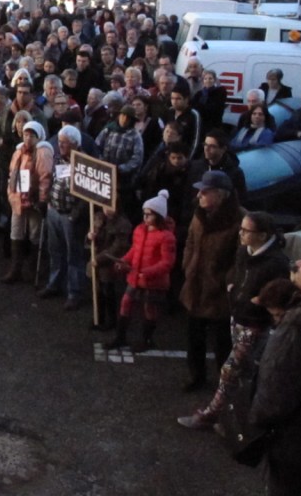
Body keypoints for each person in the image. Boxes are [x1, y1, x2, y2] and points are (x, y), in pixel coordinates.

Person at [178, 211, 289, 430]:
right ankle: (242, 415)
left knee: (230, 369)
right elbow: (235, 272)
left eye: (247, 230)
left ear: (263, 235)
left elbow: (280, 292)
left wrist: (261, 299)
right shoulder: (243, 252)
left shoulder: (276, 262)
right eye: (242, 228)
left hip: (255, 322)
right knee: (246, 371)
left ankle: (211, 414)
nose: (241, 234)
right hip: (237, 316)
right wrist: (231, 284)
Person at [250, 251, 301, 496]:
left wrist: (256, 419)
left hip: (295, 432)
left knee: (286, 495)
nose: (297, 263)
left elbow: (278, 382)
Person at [180, 170, 245, 392]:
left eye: (204, 192)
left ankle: (224, 382)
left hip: (219, 292)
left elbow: (241, 260)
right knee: (194, 337)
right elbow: (190, 240)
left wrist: (225, 281)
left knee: (222, 342)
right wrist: (187, 266)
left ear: (221, 195)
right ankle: (195, 375)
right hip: (195, 286)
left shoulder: (239, 222)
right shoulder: (199, 215)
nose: (199, 196)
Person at [104, 190, 176, 351]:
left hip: (151, 280)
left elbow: (167, 262)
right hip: (136, 276)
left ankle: (146, 339)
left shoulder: (166, 237)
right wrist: (124, 260)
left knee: (149, 309)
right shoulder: (140, 230)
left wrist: (147, 271)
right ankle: (121, 336)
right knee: (126, 303)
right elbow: (134, 250)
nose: (145, 218)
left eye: (149, 214)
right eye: (144, 214)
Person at [38, 126, 90, 310]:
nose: (60, 145)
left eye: (64, 143)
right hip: (55, 210)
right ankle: (54, 284)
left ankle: (74, 292)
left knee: (73, 255)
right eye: (59, 142)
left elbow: (86, 196)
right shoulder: (59, 157)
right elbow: (53, 178)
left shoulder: (84, 163)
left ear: (75, 144)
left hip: (70, 216)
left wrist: (75, 215)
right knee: (55, 251)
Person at [2, 121, 54, 284]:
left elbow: (45, 178)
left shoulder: (43, 152)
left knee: (34, 234)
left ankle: (33, 270)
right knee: (16, 231)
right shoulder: (19, 152)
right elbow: (12, 173)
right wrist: (11, 194)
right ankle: (15, 268)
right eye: (26, 135)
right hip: (18, 197)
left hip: (33, 200)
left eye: (32, 136)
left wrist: (43, 200)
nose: (28, 139)